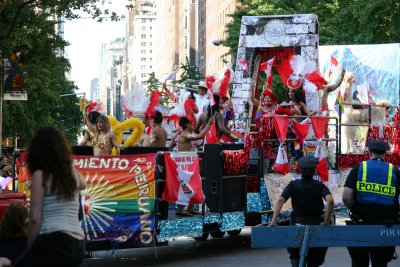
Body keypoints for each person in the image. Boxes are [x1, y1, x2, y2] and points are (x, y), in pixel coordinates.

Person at [14, 126, 86, 267]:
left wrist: (31, 248)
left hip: (56, 240)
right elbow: (83, 184)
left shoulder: (40, 175)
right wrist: (67, 165)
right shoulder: (72, 174)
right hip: (78, 243)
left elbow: (35, 217)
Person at [342, 139, 400, 267]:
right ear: (385, 154)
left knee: (359, 262)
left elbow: (346, 197)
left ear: (369, 152)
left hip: (361, 224)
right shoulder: (394, 171)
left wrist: (356, 210)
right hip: (386, 226)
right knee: (380, 262)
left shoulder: (360, 168)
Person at [269, 156, 334, 267]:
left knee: (295, 255)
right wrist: (326, 221)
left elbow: (280, 200)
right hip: (316, 225)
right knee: (315, 259)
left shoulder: (293, 185)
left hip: (297, 225)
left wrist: (274, 221)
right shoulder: (319, 186)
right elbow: (330, 200)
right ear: (314, 171)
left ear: (300, 170)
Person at [176, 116, 213, 216]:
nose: (194, 125)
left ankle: (190, 208)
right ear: (187, 125)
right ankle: (180, 209)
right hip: (184, 164)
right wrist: (208, 125)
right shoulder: (184, 135)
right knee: (184, 185)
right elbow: (199, 136)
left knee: (194, 185)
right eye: (192, 124)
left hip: (190, 164)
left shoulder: (186, 134)